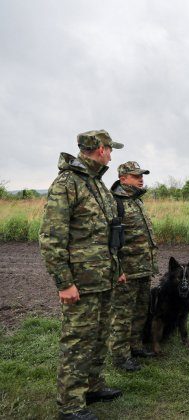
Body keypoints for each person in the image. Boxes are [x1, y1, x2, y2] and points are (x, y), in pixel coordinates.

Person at [39, 130, 125, 420]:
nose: (112, 154)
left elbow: (108, 234)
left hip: (103, 278)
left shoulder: (96, 184)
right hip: (80, 283)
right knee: (77, 341)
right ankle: (71, 406)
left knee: (100, 336)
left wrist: (118, 270)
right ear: (100, 149)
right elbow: (51, 237)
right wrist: (64, 283)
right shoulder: (67, 184)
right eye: (110, 149)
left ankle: (92, 385)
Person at [109, 161, 159, 371]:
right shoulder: (115, 203)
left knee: (140, 310)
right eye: (136, 175)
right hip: (126, 271)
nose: (141, 179)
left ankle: (134, 346)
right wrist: (117, 269)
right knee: (122, 315)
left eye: (142, 175)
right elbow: (108, 241)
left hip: (143, 268)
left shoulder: (137, 201)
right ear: (123, 178)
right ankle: (120, 357)